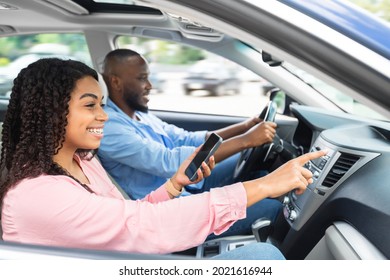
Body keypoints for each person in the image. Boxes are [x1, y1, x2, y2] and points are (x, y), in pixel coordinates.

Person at [0, 58, 326, 259]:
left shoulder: (82, 161)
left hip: (126, 257)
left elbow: (129, 216)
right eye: (90, 106)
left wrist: (172, 186)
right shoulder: (38, 193)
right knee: (263, 257)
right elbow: (145, 226)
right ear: (51, 112)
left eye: (101, 104)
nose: (103, 115)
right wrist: (265, 184)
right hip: (128, 257)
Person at [98, 49, 281, 238]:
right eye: (142, 78)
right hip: (169, 213)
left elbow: (186, 139)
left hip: (186, 189)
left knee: (258, 173)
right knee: (273, 208)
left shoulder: (139, 115)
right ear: (116, 82)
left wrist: (244, 127)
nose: (150, 85)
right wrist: (245, 141)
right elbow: (169, 162)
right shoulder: (110, 126)